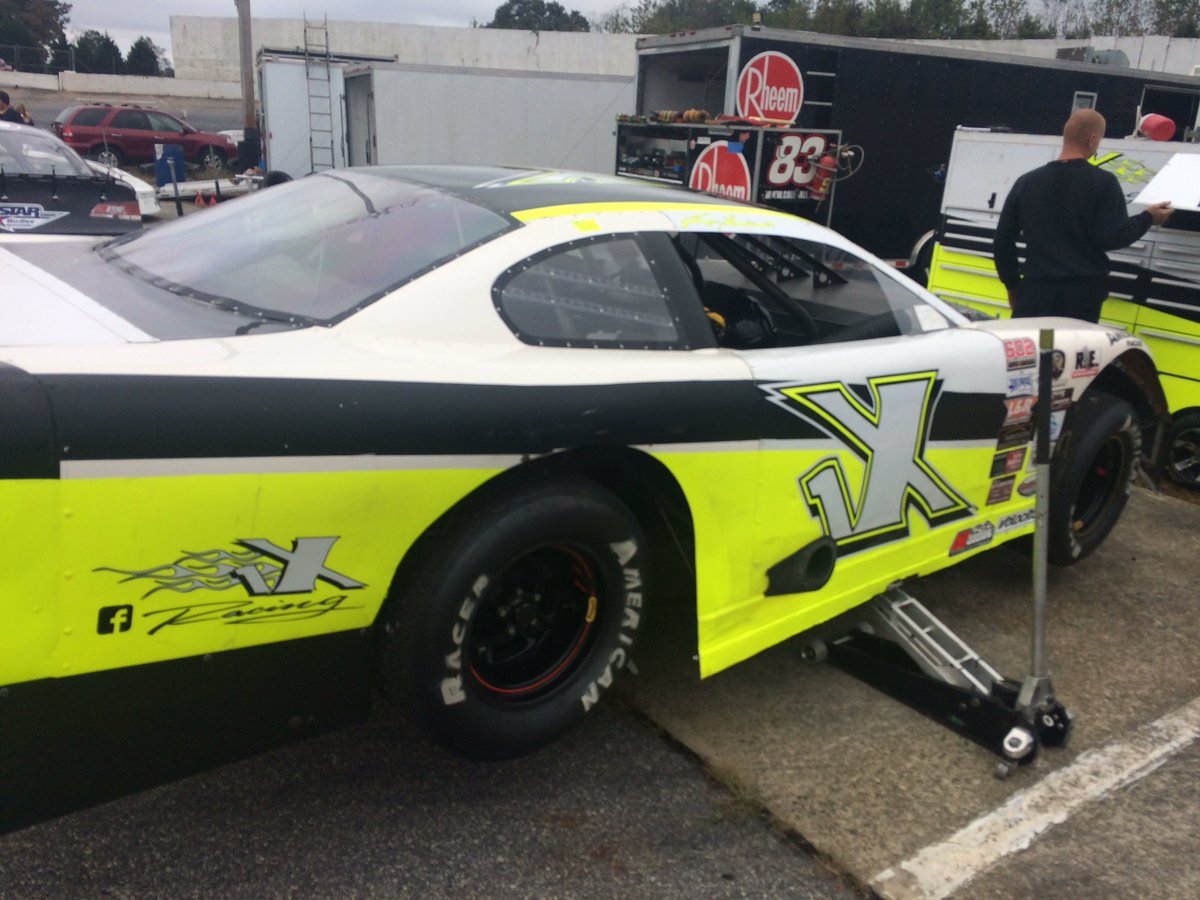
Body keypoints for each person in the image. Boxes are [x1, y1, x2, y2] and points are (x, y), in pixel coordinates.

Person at [993, 107, 1174, 323]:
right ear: (1092, 140)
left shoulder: (1027, 182)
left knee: (1036, 345)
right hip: (1082, 296)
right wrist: (1148, 218)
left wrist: (1012, 285)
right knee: (1071, 345)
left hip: (1035, 291)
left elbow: (1003, 240)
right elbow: (1114, 237)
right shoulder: (1103, 182)